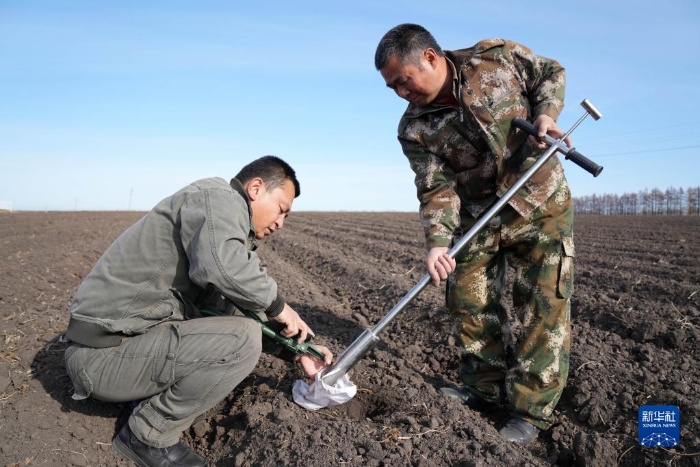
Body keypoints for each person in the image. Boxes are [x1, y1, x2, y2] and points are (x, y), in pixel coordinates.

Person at [375, 24, 574, 446]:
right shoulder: (413, 128)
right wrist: (438, 244)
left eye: (402, 81)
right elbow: (435, 187)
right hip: (476, 215)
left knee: (542, 305)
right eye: (391, 88)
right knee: (467, 298)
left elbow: (551, 72)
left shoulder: (495, 58)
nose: (400, 93)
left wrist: (545, 115)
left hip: (538, 204)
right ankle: (483, 389)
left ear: (429, 57)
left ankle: (529, 411)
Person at [63, 155, 333, 467]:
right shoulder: (217, 198)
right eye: (282, 209)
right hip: (101, 359)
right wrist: (279, 306)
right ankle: (147, 436)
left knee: (237, 328)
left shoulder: (222, 226)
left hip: (123, 349)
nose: (280, 223)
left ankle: (145, 406)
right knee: (241, 340)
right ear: (256, 188)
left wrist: (298, 349)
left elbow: (231, 307)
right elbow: (224, 267)